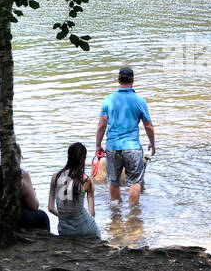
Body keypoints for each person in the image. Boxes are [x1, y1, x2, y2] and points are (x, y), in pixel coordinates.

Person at [95, 66, 155, 205]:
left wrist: (98, 145)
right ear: (133, 80)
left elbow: (101, 125)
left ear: (118, 80)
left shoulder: (108, 100)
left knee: (114, 181)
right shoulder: (139, 101)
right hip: (132, 147)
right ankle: (133, 213)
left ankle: (116, 212)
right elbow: (148, 126)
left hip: (113, 146)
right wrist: (152, 143)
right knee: (135, 182)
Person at [0, 144, 50, 232]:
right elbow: (34, 205)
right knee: (42, 216)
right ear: (18, 157)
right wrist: (31, 193)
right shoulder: (20, 174)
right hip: (10, 219)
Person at [48, 143, 98, 237]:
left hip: (64, 229)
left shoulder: (56, 177)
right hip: (85, 228)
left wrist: (65, 218)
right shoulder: (86, 180)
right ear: (83, 159)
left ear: (68, 156)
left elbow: (50, 208)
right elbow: (92, 213)